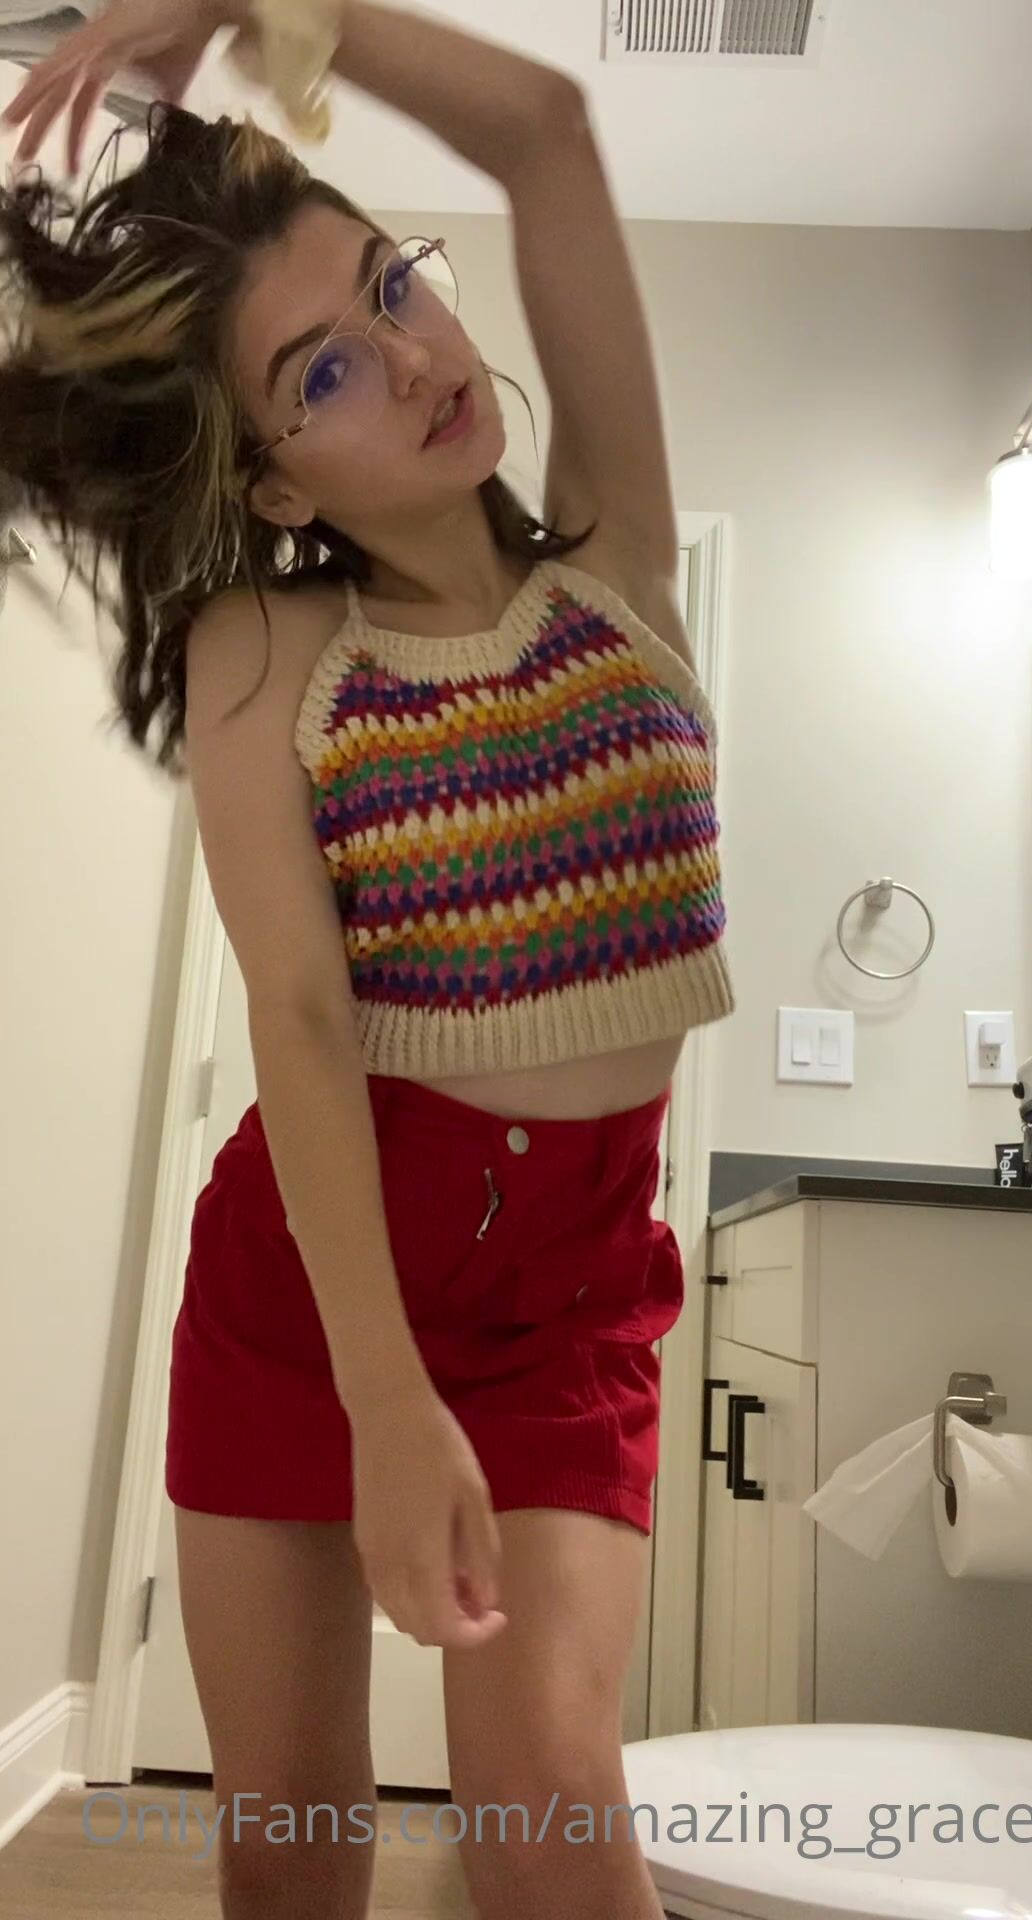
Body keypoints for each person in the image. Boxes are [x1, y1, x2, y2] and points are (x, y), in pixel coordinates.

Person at [1, 3, 736, 1914]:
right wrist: (384, 1394)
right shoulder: (267, 651)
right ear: (271, 482)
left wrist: (272, 7)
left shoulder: (618, 565)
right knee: (294, 1848)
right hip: (315, 1280)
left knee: (546, 1805)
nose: (415, 354)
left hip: (573, 1288)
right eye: (326, 365)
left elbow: (549, 132)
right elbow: (306, 1021)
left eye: (395, 284)